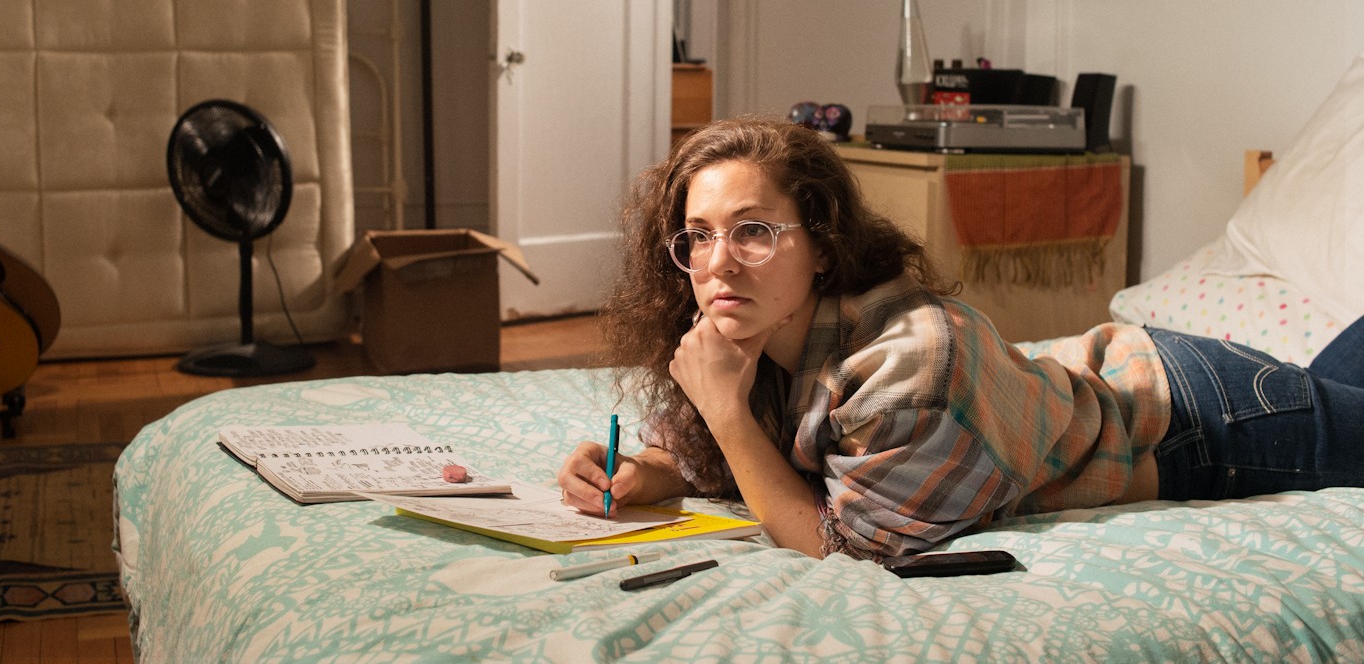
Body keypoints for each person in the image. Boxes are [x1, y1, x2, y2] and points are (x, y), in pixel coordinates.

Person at [556, 115, 1364, 559]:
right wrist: (642, 472)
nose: (717, 262)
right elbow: (706, 455)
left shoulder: (910, 365)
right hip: (1139, 370)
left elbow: (839, 546)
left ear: (824, 246)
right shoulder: (747, 330)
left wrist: (727, 415)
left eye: (753, 231)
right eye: (698, 235)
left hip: (1208, 422)